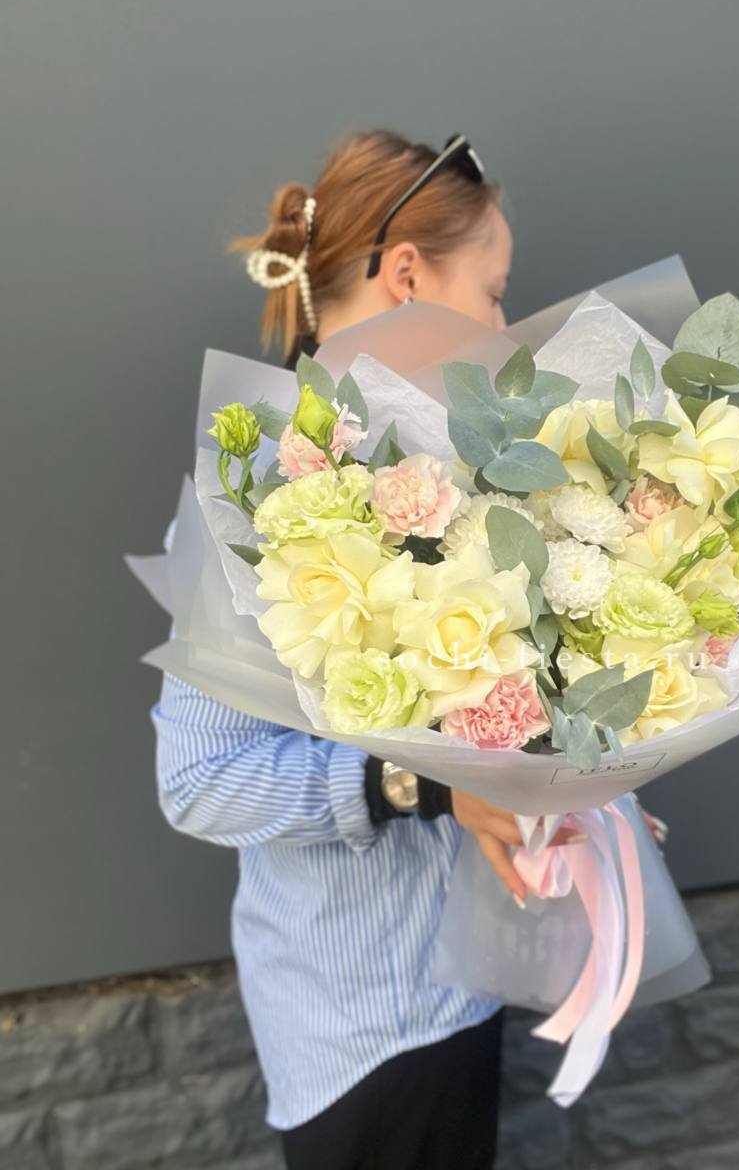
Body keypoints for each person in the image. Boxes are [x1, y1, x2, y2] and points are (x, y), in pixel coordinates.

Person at [152, 131, 543, 1170]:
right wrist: (420, 786)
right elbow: (198, 780)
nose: (504, 329)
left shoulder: (441, 462)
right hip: (360, 1027)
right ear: (407, 275)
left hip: (467, 979)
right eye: (494, 294)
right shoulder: (252, 492)